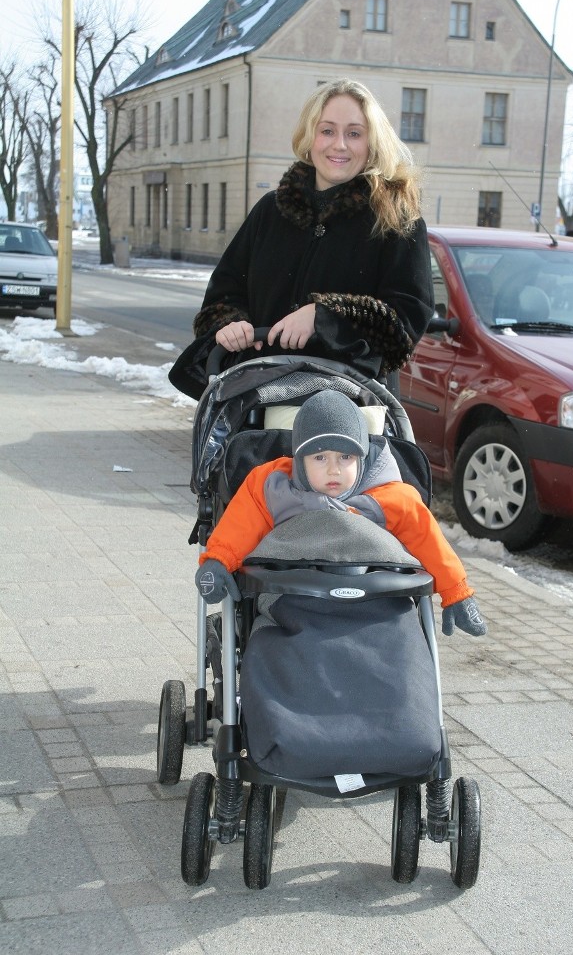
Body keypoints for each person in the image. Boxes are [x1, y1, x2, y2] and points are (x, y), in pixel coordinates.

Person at [169, 79, 434, 400]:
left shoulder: (395, 217)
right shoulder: (271, 210)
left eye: (354, 133)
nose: (340, 145)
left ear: (372, 142)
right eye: (327, 131)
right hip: (257, 401)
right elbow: (223, 294)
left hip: (348, 411)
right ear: (309, 138)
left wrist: (324, 317)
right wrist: (231, 323)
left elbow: (406, 320)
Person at [195, 391, 487, 638]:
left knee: (404, 639)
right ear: (299, 459)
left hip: (376, 608)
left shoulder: (392, 498)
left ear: (362, 457)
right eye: (319, 457)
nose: (333, 469)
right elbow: (242, 523)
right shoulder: (274, 487)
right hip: (293, 602)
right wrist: (219, 561)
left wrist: (456, 592)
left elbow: (430, 542)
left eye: (345, 457)